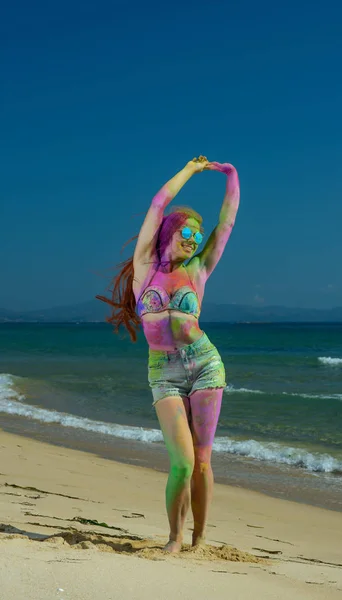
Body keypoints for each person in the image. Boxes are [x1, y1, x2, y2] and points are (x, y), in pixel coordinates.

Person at [97, 155, 240, 553]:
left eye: (197, 234)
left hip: (206, 365)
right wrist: (191, 171)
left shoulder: (198, 270)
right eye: (187, 232)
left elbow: (225, 223)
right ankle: (174, 537)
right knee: (182, 462)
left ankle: (199, 537)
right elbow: (159, 202)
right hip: (164, 372)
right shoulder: (145, 267)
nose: (194, 239)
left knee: (204, 461)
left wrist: (231, 176)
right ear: (170, 232)